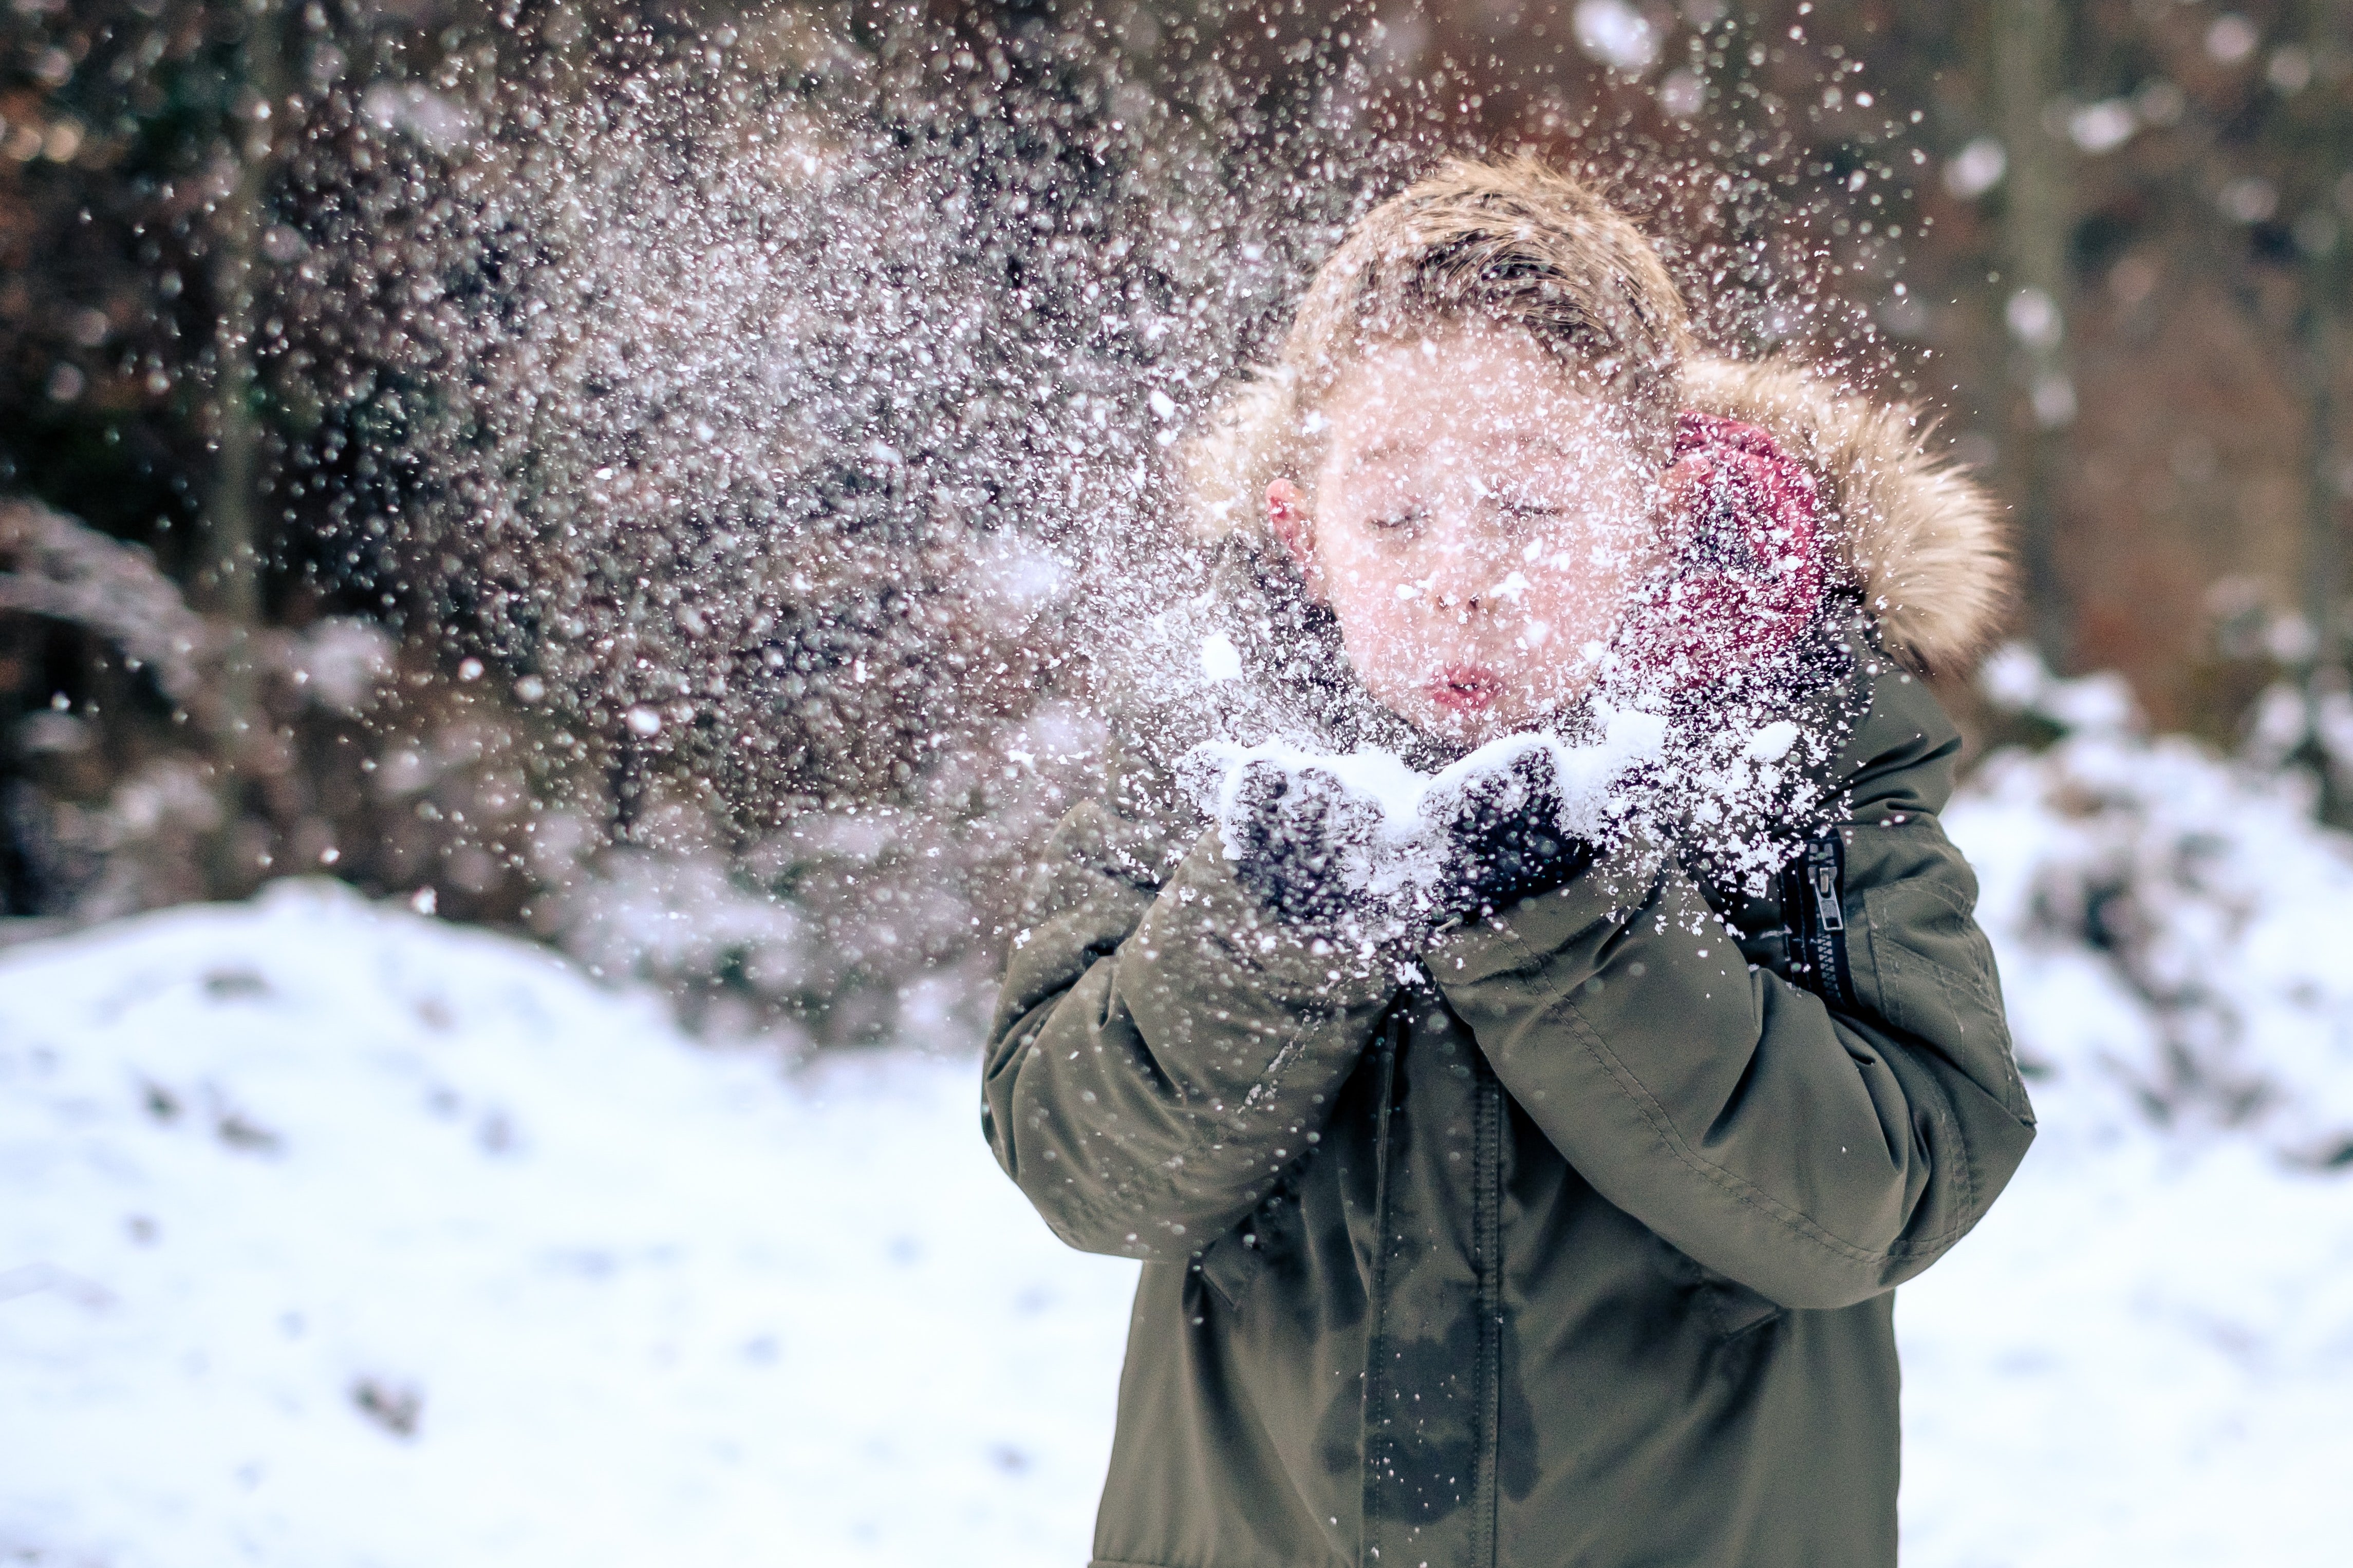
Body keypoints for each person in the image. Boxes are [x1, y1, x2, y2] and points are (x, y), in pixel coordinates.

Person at [982, 155, 2034, 1568]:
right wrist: (1273, 925)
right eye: (1395, 514)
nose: (1460, 572)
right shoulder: (1216, 753)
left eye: (1528, 509)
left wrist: (1565, 917)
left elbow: (1877, 1197)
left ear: (1655, 519)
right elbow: (1081, 1168)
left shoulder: (1793, 747)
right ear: (1307, 539)